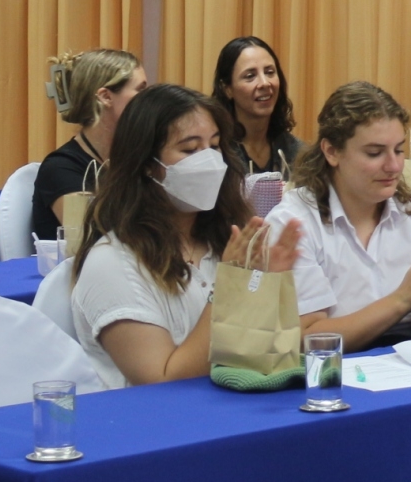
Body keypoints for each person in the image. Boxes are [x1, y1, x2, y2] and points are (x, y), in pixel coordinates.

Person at [70, 84, 299, 388]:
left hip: (238, 405)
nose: (209, 162)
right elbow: (162, 382)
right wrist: (230, 290)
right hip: (162, 415)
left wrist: (271, 287)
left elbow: (266, 356)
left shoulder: (227, 238)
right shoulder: (112, 264)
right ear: (148, 165)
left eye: (214, 146)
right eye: (190, 150)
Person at [265, 82, 411, 351]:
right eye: (374, 153)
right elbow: (307, 340)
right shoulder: (293, 222)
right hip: (337, 369)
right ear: (331, 152)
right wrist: (403, 299)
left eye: (398, 150)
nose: (393, 166)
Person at [33, 49, 147, 245]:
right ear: (106, 97)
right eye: (140, 91)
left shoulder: (139, 156)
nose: (149, 100)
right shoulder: (60, 168)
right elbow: (95, 240)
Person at [211, 36, 303, 176]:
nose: (265, 83)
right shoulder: (215, 153)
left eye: (269, 72)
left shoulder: (297, 153)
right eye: (250, 76)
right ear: (227, 89)